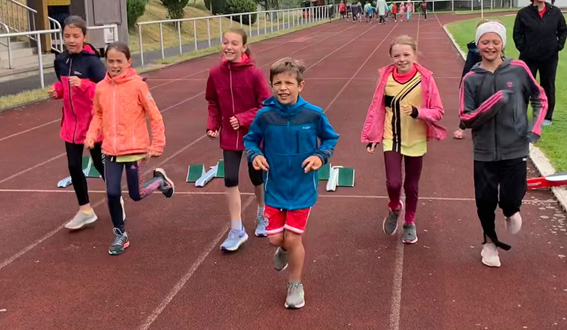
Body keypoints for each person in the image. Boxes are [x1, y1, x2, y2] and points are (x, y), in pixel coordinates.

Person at [244, 57, 339, 309]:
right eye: (277, 83)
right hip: (274, 188)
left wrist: (320, 156)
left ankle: (295, 284)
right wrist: (256, 155)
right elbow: (251, 140)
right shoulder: (265, 116)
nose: (282, 88)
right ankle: (283, 249)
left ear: (301, 85)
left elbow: (330, 139)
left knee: (293, 239)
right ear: (271, 86)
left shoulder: (313, 114)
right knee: (276, 239)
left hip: (302, 190)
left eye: (288, 82)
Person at [460, 22, 548, 267]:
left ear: (503, 44)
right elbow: (465, 118)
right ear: (478, 45)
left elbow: (539, 96)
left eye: (495, 41)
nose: (490, 46)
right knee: (485, 200)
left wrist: (535, 126)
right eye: (485, 42)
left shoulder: (519, 69)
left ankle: (510, 210)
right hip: (484, 150)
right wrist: (493, 103)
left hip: (515, 147)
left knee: (510, 197)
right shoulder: (471, 78)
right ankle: (490, 243)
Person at [85, 42, 175, 255]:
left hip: (135, 151)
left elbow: (154, 115)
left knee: (136, 194)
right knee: (112, 192)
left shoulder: (137, 85)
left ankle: (160, 181)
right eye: (110, 61)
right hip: (111, 151)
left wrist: (158, 143)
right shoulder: (101, 88)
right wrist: (91, 135)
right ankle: (120, 234)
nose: (114, 65)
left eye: (119, 61)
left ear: (128, 62)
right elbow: (97, 114)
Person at [361, 35, 447, 244]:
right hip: (392, 137)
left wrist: (418, 112)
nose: (402, 59)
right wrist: (374, 135)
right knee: (393, 182)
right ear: (391, 57)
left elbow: (438, 111)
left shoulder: (425, 79)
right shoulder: (385, 78)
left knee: (411, 185)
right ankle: (394, 207)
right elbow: (377, 109)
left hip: (416, 137)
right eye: (397, 55)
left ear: (415, 55)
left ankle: (409, 222)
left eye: (406, 54)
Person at [206, 27, 272, 252]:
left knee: (257, 176)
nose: (229, 47)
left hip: (253, 134)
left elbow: (266, 104)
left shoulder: (254, 73)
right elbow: (213, 103)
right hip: (229, 136)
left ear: (244, 47)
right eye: (225, 42)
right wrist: (213, 125)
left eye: (234, 43)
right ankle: (237, 229)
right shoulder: (215, 74)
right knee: (230, 179)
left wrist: (243, 118)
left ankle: (263, 212)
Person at [48, 15, 113, 231]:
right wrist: (57, 91)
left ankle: (115, 200)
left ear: (84, 37)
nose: (71, 40)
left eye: (76, 36)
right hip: (70, 125)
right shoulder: (60, 61)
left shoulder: (93, 62)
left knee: (100, 166)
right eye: (67, 36)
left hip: (93, 125)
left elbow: (106, 91)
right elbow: (64, 86)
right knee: (74, 167)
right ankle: (85, 210)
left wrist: (84, 84)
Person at [513, 0, 567, 126]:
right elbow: (517, 34)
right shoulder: (523, 13)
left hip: (550, 57)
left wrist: (558, 46)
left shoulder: (555, 12)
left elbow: (563, 30)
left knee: (548, 86)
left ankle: (547, 117)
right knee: (525, 87)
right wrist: (525, 49)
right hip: (529, 58)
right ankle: (521, 117)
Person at [454, 19, 488, 140]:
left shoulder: (495, 49)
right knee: (469, 106)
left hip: (489, 82)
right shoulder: (473, 49)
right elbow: (468, 67)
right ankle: (461, 128)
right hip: (474, 82)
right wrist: (464, 82)